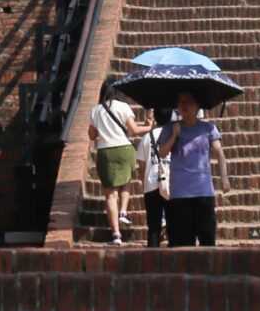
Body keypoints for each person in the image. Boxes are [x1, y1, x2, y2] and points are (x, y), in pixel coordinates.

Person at [157, 89, 231, 246]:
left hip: (203, 191)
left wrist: (224, 178)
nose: (183, 105)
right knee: (183, 242)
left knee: (207, 239)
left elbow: (219, 153)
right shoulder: (170, 128)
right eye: (180, 102)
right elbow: (162, 153)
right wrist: (174, 135)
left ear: (197, 105)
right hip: (180, 193)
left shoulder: (208, 128)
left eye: (188, 101)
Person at [87, 89, 140, 245]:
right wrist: (149, 127)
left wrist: (103, 128)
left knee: (110, 195)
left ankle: (116, 235)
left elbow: (91, 136)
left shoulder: (96, 110)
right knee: (126, 181)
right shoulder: (124, 107)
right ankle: (123, 211)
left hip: (106, 151)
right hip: (125, 149)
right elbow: (134, 130)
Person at [136, 114, 168, 248]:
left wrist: (144, 183)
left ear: (155, 120)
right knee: (175, 226)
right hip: (171, 185)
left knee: (153, 228)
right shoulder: (173, 135)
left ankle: (152, 257)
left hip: (151, 185)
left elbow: (141, 165)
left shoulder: (147, 137)